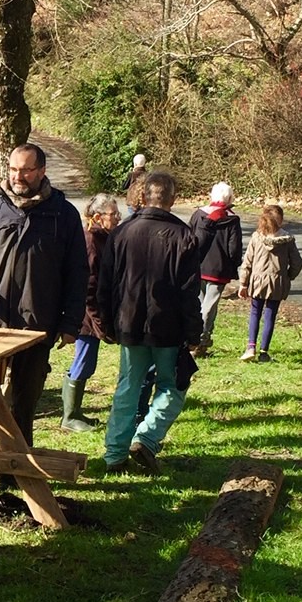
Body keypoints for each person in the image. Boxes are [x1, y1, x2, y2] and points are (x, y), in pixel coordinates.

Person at [0, 144, 87, 484]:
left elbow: (77, 274)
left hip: (36, 324)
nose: (18, 176)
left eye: (26, 170)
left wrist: (70, 323)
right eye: (13, 169)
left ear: (42, 172)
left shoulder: (63, 215)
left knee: (23, 403)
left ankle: (13, 473)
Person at [97, 170, 202, 475]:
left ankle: (114, 454)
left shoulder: (121, 233)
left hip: (128, 322)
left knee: (127, 387)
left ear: (143, 197)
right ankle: (147, 436)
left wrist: (106, 322)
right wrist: (194, 331)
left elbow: (106, 283)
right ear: (173, 199)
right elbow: (188, 292)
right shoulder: (184, 236)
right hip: (167, 326)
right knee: (173, 385)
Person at [61, 194, 121, 432]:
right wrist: (98, 323)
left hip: (92, 317)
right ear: (97, 217)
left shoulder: (103, 239)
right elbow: (88, 288)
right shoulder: (90, 242)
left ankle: (75, 412)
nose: (118, 218)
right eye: (113, 214)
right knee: (83, 362)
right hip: (85, 318)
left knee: (86, 362)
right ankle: (69, 416)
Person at [237, 204, 302, 362]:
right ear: (281, 220)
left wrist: (243, 283)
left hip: (257, 281)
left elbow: (247, 262)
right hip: (277, 281)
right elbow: (297, 263)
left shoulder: (256, 237)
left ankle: (250, 346)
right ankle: (264, 352)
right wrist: (288, 276)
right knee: (270, 315)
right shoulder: (287, 240)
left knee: (255, 312)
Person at [189, 182, 242, 356]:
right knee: (209, 306)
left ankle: (201, 340)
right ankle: (199, 340)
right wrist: (235, 264)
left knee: (201, 303)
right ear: (229, 198)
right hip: (219, 268)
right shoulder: (232, 219)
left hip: (197, 265)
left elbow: (188, 237)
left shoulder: (198, 214)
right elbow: (234, 247)